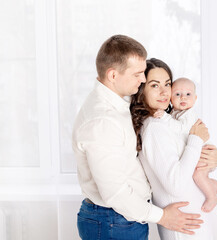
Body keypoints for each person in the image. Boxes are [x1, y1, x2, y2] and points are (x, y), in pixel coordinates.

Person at [72, 35, 206, 240]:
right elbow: (115, 193)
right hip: (113, 221)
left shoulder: (118, 105)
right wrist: (162, 217)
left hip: (121, 219)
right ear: (113, 75)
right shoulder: (103, 121)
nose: (142, 80)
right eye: (137, 74)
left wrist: (211, 157)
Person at [130, 58, 217, 239]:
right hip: (186, 227)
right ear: (142, 91)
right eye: (155, 85)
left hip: (192, 223)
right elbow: (176, 185)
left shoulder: (168, 122)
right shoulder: (155, 127)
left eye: (167, 84)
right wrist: (196, 139)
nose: (165, 91)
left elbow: (189, 160)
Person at [154, 77, 217, 212]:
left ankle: (212, 197)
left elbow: (179, 129)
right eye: (177, 94)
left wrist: (164, 117)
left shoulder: (188, 114)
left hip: (204, 152)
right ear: (171, 98)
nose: (183, 98)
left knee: (198, 176)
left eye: (188, 94)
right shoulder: (175, 113)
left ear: (195, 99)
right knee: (202, 179)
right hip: (199, 153)